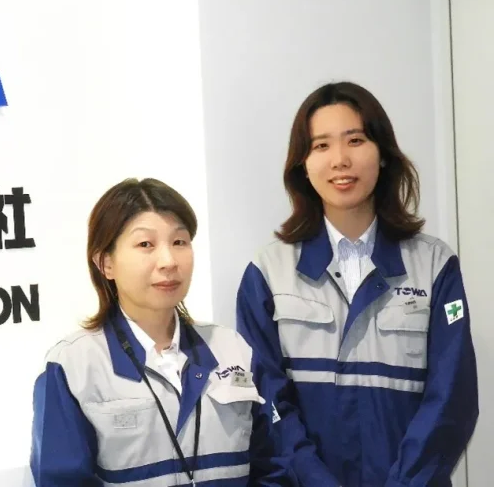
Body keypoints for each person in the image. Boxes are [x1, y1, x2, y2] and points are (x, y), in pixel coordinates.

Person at [235, 81, 479, 487]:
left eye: (356, 140)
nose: (340, 160)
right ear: (303, 164)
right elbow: (265, 399)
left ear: (382, 154)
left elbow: (452, 398)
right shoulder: (268, 271)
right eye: (321, 146)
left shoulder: (435, 265)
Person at [30, 178, 288, 486]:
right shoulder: (73, 366)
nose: (168, 261)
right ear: (106, 263)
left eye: (179, 242)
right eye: (145, 245)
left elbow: (272, 468)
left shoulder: (233, 349)